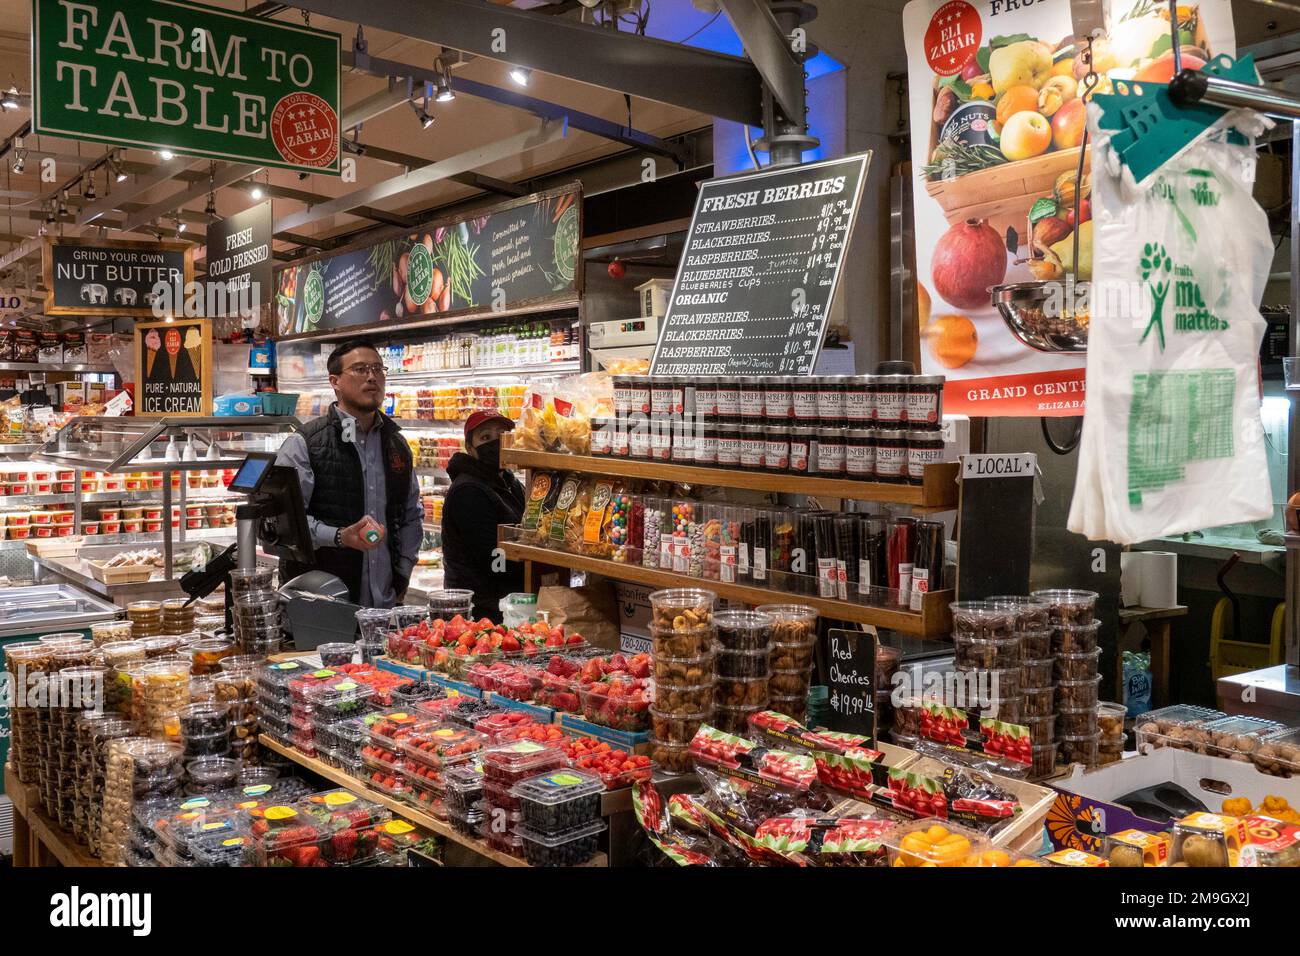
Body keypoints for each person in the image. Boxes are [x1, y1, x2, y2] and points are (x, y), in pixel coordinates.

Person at [276, 339, 423, 608]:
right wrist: (339, 536)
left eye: (378, 369)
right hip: (320, 608)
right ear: (335, 382)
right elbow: (283, 525)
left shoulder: (397, 445)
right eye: (360, 369)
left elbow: (411, 515)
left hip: (384, 607)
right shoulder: (305, 444)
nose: (372, 377)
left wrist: (402, 573)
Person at [441, 409, 526, 622]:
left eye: (502, 435)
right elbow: (493, 560)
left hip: (502, 603)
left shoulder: (509, 482)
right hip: (480, 613)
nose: (495, 443)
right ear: (470, 448)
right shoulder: (468, 491)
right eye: (485, 437)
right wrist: (535, 563)